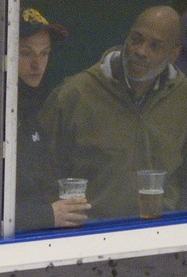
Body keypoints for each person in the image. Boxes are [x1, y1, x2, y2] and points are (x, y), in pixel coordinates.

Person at [39, 5, 187, 221]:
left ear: (174, 54)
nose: (140, 51)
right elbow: (41, 175)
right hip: (90, 238)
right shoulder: (74, 95)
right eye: (136, 39)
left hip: (162, 238)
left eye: (155, 46)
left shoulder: (182, 97)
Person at [0, 9, 89, 235]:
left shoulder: (33, 97)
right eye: (26, 53)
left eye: (45, 53)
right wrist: (46, 216)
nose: (37, 65)